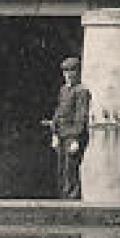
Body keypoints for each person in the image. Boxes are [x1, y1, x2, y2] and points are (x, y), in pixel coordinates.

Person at [50, 56, 91, 199]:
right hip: (61, 134)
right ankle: (63, 199)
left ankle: (73, 202)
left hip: (73, 136)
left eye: (71, 71)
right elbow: (58, 111)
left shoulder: (82, 91)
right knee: (61, 170)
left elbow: (81, 117)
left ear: (78, 73)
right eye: (65, 71)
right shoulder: (63, 90)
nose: (68, 75)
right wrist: (54, 133)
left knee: (71, 170)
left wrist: (76, 139)